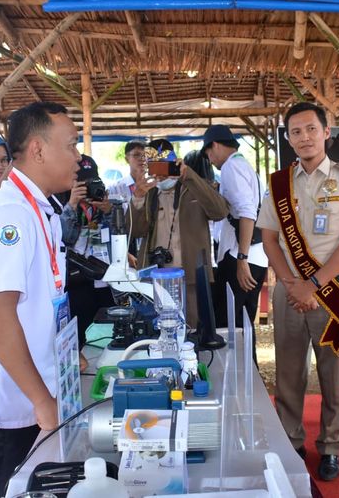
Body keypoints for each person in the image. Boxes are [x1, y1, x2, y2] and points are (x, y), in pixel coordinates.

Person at [0, 102, 81, 498]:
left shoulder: (38, 208)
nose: (78, 157)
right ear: (38, 150)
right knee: (11, 488)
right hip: (14, 398)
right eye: (72, 146)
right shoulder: (10, 213)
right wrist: (40, 399)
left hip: (36, 382)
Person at [257, 102, 339, 481]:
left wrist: (313, 283)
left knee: (332, 376)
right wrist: (292, 283)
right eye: (295, 132)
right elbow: (270, 239)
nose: (303, 137)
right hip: (290, 292)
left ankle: (331, 447)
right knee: (288, 375)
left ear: (327, 132)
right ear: (288, 139)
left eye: (310, 129)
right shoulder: (278, 183)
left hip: (332, 293)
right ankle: (290, 442)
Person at [129, 139, 228, 328]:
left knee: (192, 329)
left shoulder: (194, 188)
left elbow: (220, 212)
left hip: (190, 276)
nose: (158, 174)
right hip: (155, 277)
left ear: (174, 162)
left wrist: (189, 175)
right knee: (158, 329)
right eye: (153, 167)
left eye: (162, 166)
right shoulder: (149, 193)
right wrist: (138, 198)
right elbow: (134, 231)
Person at [203, 124, 268, 357]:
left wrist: (242, 259)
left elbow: (247, 212)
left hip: (240, 256)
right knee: (244, 325)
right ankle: (250, 379)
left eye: (208, 152)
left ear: (217, 146)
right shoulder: (245, 166)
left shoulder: (230, 167)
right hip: (258, 256)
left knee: (227, 325)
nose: (209, 159)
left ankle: (233, 381)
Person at [58, 154, 115, 345]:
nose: (88, 187)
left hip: (104, 279)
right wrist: (72, 205)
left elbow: (119, 239)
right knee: (81, 335)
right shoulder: (61, 204)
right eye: (82, 183)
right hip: (77, 281)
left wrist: (108, 213)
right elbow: (64, 238)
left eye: (92, 181)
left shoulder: (103, 202)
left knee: (108, 333)